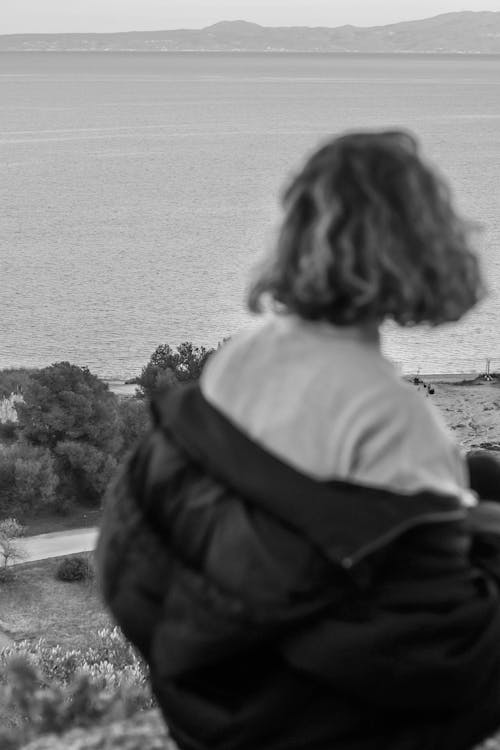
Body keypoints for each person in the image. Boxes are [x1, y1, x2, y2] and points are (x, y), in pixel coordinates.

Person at [97, 131, 500, 750]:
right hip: (310, 711)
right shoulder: (391, 416)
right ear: (423, 245)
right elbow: (442, 651)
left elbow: (302, 495)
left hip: (211, 686)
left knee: (482, 477)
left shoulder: (238, 361)